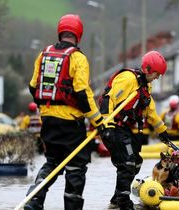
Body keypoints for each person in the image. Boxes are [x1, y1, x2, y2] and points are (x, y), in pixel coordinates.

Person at [24, 14, 105, 210]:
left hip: (49, 121)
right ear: (79, 35)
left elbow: (33, 87)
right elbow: (82, 93)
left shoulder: (43, 54)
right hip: (71, 125)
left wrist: (48, 108)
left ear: (60, 32)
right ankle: (72, 207)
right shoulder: (78, 58)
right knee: (75, 166)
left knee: (52, 162)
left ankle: (33, 200)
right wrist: (98, 121)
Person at [98, 50, 172, 210]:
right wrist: (106, 125)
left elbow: (150, 112)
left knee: (136, 162)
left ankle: (116, 199)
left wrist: (162, 131)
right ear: (148, 69)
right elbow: (108, 99)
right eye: (157, 74)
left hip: (125, 129)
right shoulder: (127, 79)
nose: (158, 77)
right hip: (112, 127)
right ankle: (123, 202)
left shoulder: (146, 87)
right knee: (128, 163)